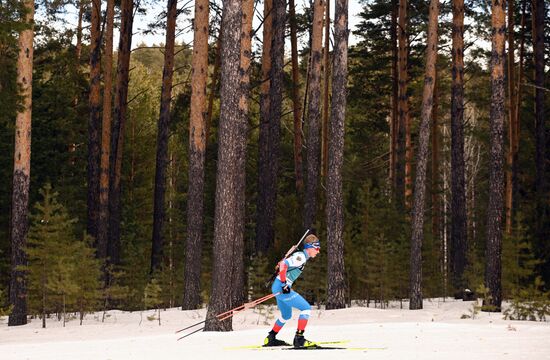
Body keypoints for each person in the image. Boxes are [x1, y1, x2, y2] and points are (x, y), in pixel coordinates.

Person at [264, 234, 321, 348]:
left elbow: (283, 264)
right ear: (309, 248)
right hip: (281, 286)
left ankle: (270, 338)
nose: (318, 251)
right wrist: (285, 284)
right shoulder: (301, 257)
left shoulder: (302, 256)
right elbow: (284, 265)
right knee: (306, 308)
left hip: (278, 286)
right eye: (317, 248)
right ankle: (299, 339)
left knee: (286, 315)